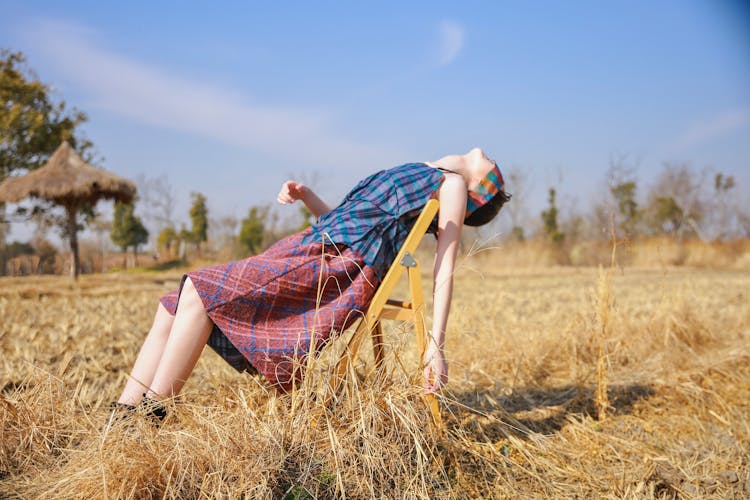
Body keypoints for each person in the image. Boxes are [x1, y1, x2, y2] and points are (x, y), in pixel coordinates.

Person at [112, 147, 510, 420]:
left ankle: (152, 416)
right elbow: (348, 218)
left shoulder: (453, 184)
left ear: (478, 195)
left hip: (335, 265)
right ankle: (124, 419)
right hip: (313, 246)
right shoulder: (423, 168)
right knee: (173, 303)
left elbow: (444, 269)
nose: (493, 165)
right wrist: (308, 197)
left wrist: (435, 348)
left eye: (494, 181)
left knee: (199, 293)